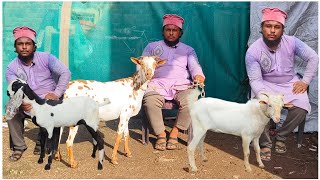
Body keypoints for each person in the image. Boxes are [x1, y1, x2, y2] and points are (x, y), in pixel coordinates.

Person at [245, 8, 318, 161]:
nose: (272, 31)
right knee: (260, 106)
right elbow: (256, 80)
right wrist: (265, 96)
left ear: (283, 29)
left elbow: (314, 57)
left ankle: (281, 137)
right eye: (268, 26)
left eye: (277, 27)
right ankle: (265, 143)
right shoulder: (253, 51)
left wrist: (305, 81)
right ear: (261, 28)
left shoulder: (292, 42)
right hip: (265, 85)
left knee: (302, 107)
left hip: (289, 84)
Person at [5, 26, 71, 161]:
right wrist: (21, 102)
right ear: (15, 47)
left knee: (50, 106)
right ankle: (19, 146)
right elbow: (14, 88)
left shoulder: (46, 58)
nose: (24, 47)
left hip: (48, 100)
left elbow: (65, 73)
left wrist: (57, 93)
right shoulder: (11, 68)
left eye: (28, 43)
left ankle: (42, 139)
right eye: (20, 44)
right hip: (27, 102)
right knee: (10, 108)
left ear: (34, 46)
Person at [142, 14, 205, 151]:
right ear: (163, 31)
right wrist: (144, 75)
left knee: (192, 100)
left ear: (180, 33)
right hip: (157, 84)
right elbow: (142, 63)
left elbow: (194, 66)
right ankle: (161, 134)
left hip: (181, 85)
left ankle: (175, 133)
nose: (171, 33)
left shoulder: (188, 50)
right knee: (150, 101)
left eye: (174, 30)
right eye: (168, 30)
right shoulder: (152, 46)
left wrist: (199, 75)